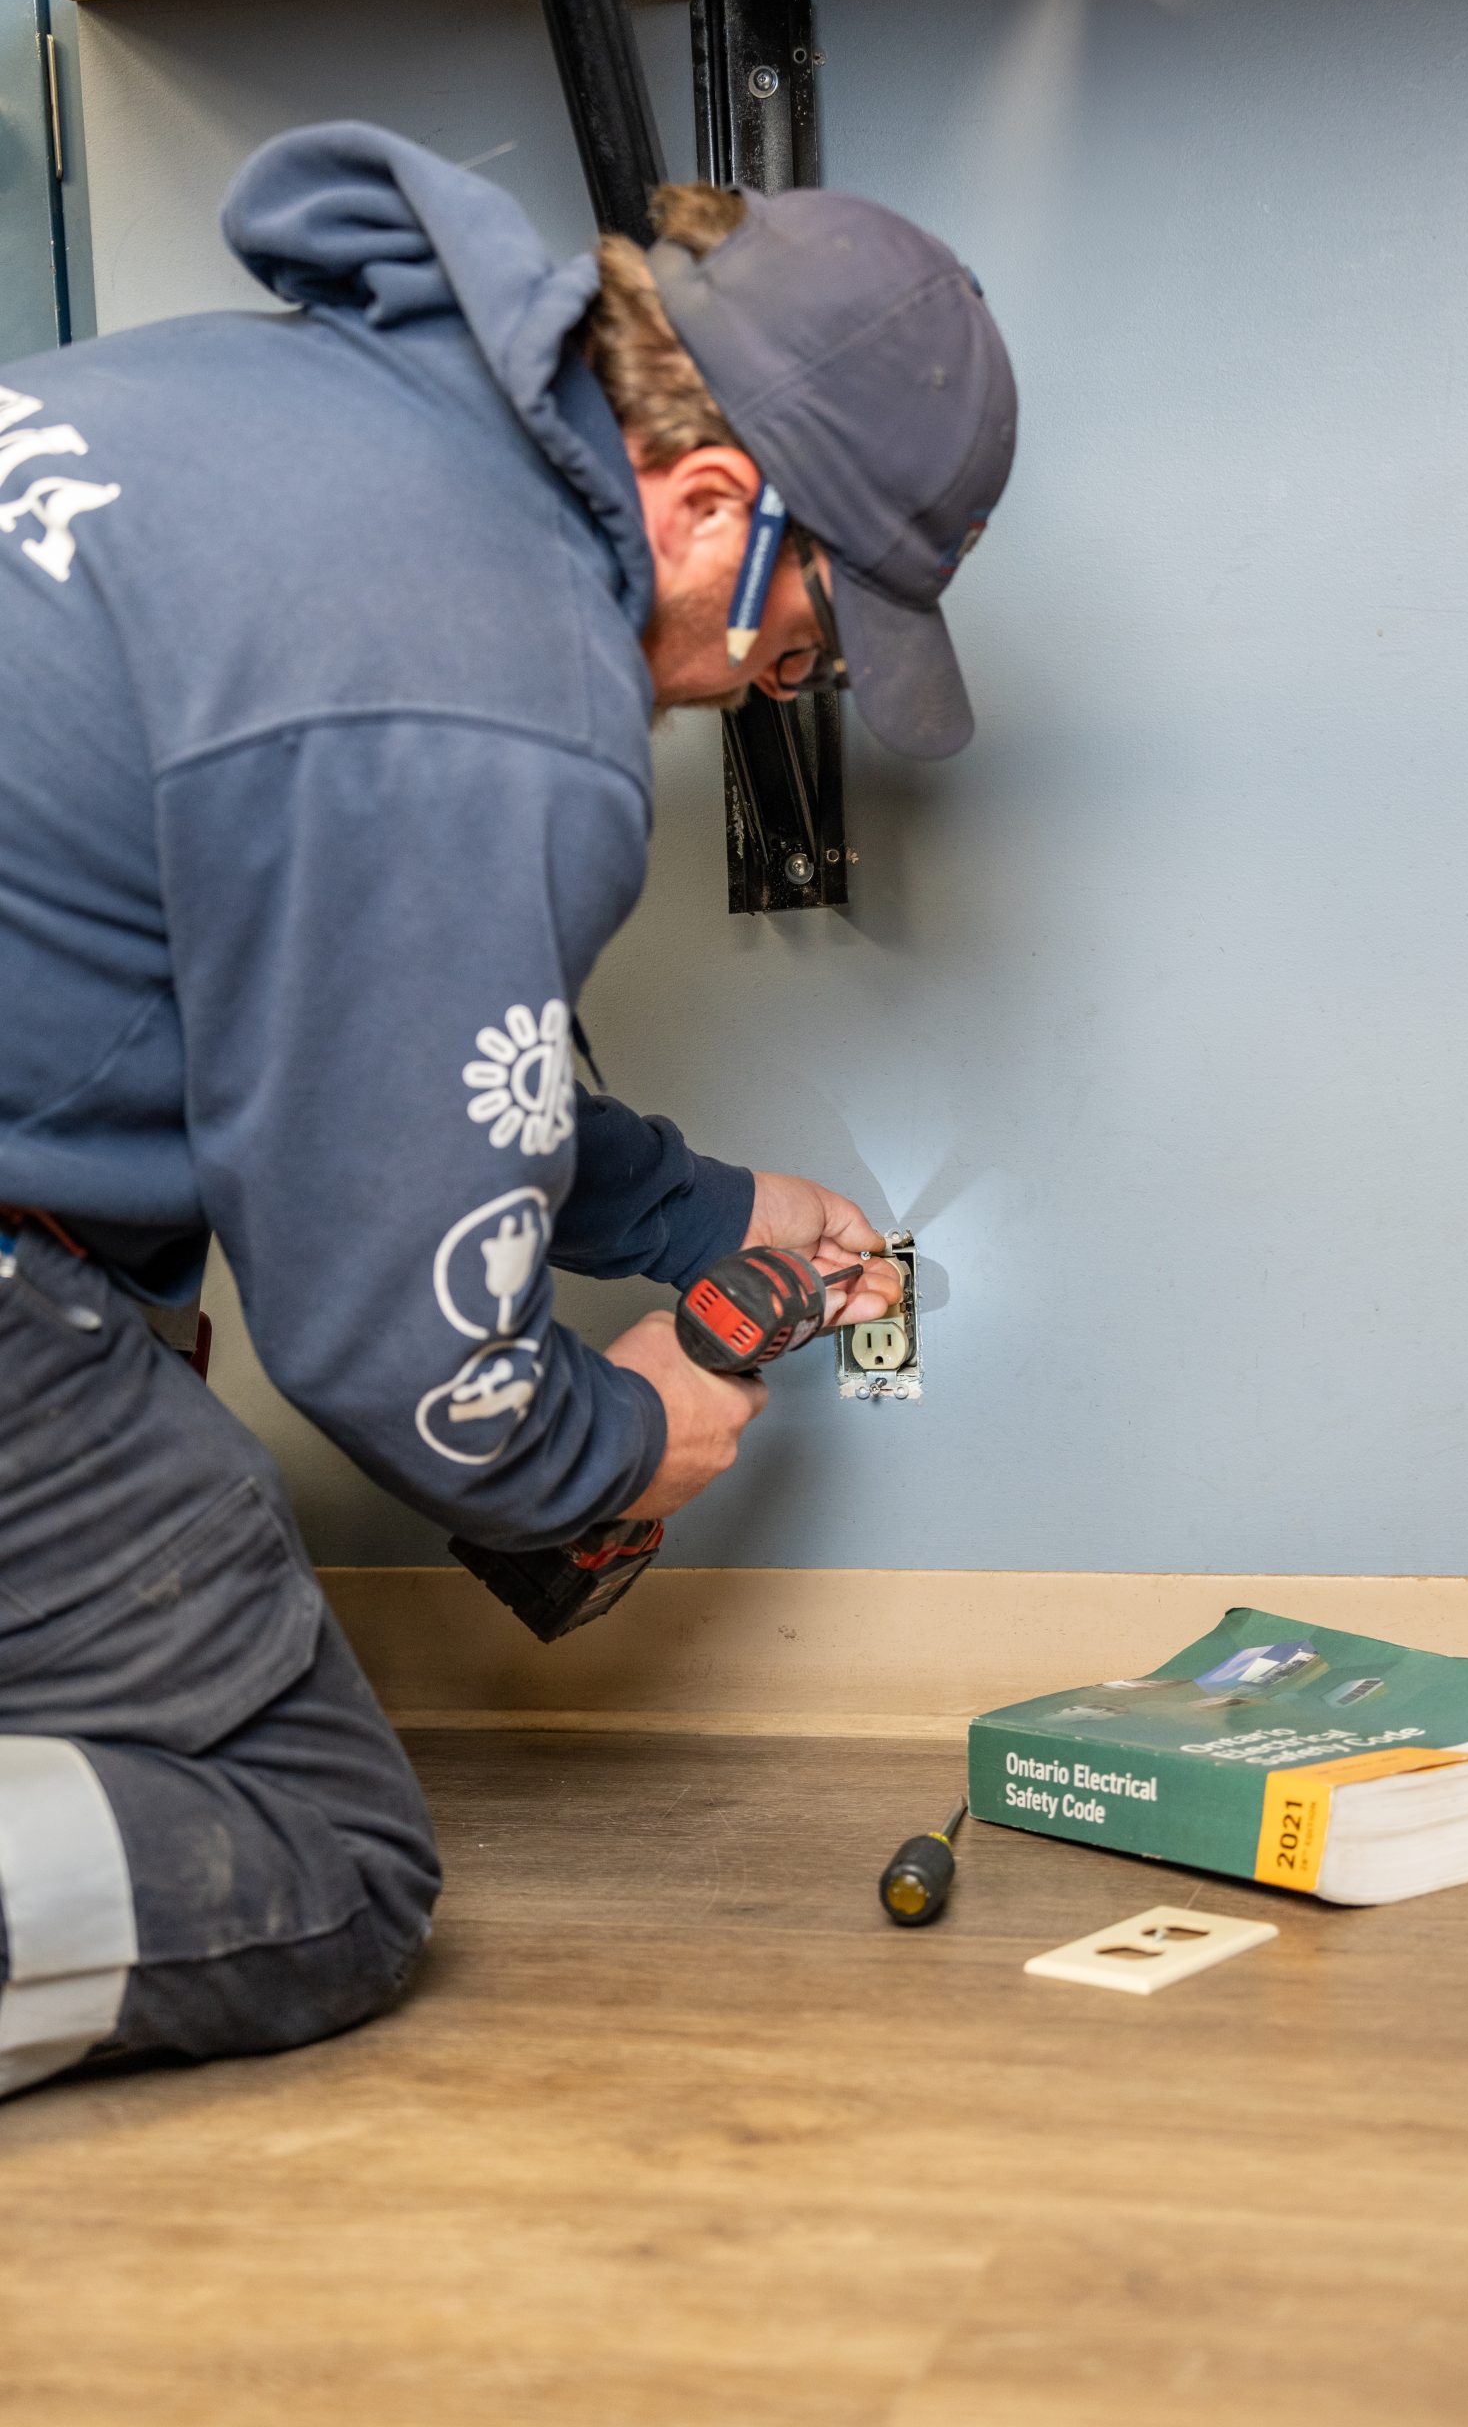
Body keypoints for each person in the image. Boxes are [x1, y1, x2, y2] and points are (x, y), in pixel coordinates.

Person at [0, 122, 1017, 2098]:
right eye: (806, 647)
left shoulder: (275, 407)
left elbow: (363, 1030)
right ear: (718, 500)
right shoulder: (485, 700)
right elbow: (398, 1350)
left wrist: (694, 1209)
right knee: (313, 1848)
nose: (772, 689)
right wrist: (607, 1443)